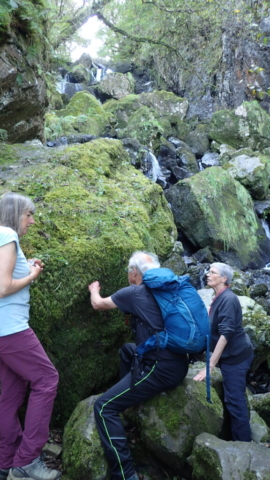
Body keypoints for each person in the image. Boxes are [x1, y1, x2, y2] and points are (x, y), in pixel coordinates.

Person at [88, 251, 189, 480]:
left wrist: (94, 289)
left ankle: (125, 474)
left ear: (134, 273)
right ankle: (130, 406)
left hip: (159, 368)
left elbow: (98, 304)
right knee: (127, 350)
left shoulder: (134, 292)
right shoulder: (168, 290)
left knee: (103, 408)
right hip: (178, 361)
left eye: (128, 271)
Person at [0, 192, 61, 480]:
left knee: (10, 394)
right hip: (10, 329)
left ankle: (5, 461)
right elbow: (3, 287)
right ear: (15, 214)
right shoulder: (7, 234)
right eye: (29, 214)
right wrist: (32, 277)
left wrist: (26, 268)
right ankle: (27, 462)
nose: (33, 220)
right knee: (47, 379)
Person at [193, 262, 254, 442]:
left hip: (236, 358)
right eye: (208, 271)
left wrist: (210, 364)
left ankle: (244, 447)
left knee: (234, 403)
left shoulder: (228, 299)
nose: (207, 275)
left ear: (224, 279)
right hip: (230, 357)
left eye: (213, 272)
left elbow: (226, 333)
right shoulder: (218, 296)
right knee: (234, 398)